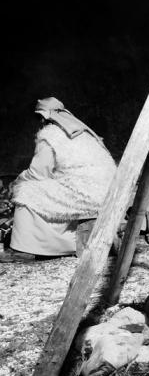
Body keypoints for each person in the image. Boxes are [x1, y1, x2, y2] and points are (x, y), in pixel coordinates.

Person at [0, 97, 117, 263]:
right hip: (108, 191)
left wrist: (17, 181)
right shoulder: (84, 132)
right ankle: (65, 242)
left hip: (86, 192)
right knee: (50, 191)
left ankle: (23, 248)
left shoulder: (49, 135)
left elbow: (38, 173)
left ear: (42, 117)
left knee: (25, 191)